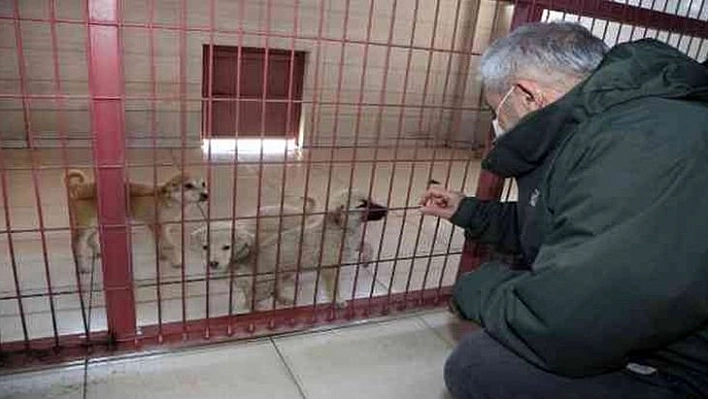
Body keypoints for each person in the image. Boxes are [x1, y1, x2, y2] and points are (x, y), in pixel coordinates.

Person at [419, 22, 708, 399]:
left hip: (688, 368)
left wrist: (477, 287)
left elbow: (565, 325)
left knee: (481, 367)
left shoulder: (646, 140)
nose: (495, 124)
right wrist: (467, 211)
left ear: (525, 95)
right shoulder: (597, 129)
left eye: (495, 108)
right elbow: (557, 223)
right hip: (657, 336)